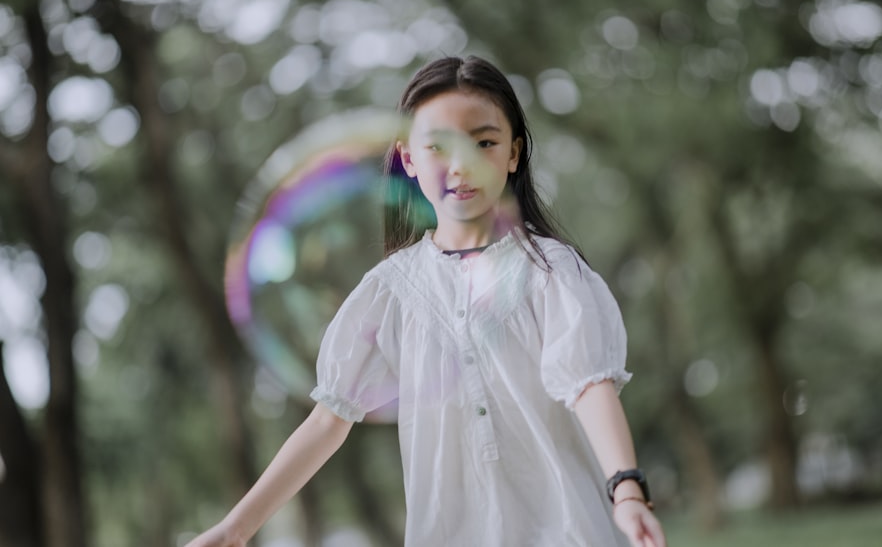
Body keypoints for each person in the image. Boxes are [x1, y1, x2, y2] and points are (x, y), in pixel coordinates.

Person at [185, 56, 667, 547]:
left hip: (569, 530)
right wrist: (236, 527)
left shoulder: (550, 271)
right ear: (409, 158)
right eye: (438, 147)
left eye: (484, 142)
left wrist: (626, 490)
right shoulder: (389, 291)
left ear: (514, 153)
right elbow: (329, 420)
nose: (461, 165)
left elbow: (590, 386)